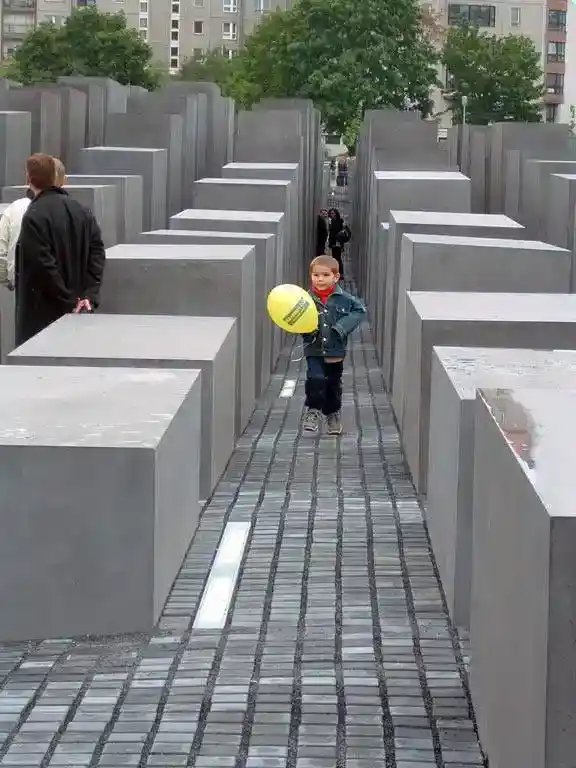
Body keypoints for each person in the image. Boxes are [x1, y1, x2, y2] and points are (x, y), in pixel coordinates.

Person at [15, 153, 106, 346]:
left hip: (41, 320)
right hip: (79, 313)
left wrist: (69, 301)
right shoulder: (82, 210)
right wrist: (88, 296)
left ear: (29, 179)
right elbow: (97, 253)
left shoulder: (34, 215)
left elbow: (42, 266)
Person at [301, 254, 366, 435]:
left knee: (332, 384)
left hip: (335, 350)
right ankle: (313, 410)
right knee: (315, 378)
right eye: (316, 275)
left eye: (325, 275)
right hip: (314, 348)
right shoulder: (305, 298)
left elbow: (359, 310)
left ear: (335, 277)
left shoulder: (344, 298)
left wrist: (341, 328)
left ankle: (332, 414)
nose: (320, 279)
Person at [328, 208, 345, 276]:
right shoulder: (330, 221)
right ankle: (336, 272)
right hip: (333, 242)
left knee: (338, 257)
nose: (332, 215)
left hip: (338, 242)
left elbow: (342, 232)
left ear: (336, 213)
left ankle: (341, 273)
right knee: (334, 257)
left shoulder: (340, 221)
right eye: (331, 213)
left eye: (333, 213)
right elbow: (330, 232)